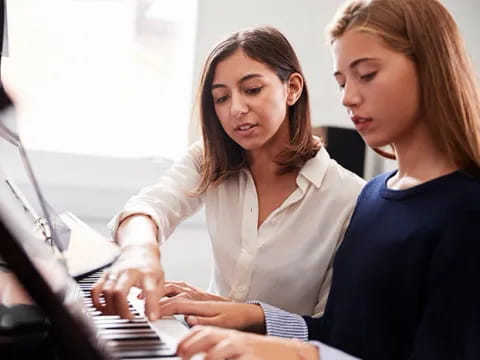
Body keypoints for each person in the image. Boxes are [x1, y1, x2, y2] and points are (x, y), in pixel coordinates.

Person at [155, 0, 480, 359]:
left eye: (367, 74)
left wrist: (300, 355)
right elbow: (339, 334)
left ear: (430, 68)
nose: (348, 98)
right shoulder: (374, 196)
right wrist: (251, 317)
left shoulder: (467, 211)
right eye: (342, 81)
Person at [91, 26, 365, 321]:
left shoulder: (349, 198)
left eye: (252, 90)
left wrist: (241, 314)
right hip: (204, 342)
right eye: (221, 98)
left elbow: (332, 330)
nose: (236, 109)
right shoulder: (210, 160)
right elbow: (150, 206)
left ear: (293, 88)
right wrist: (139, 252)